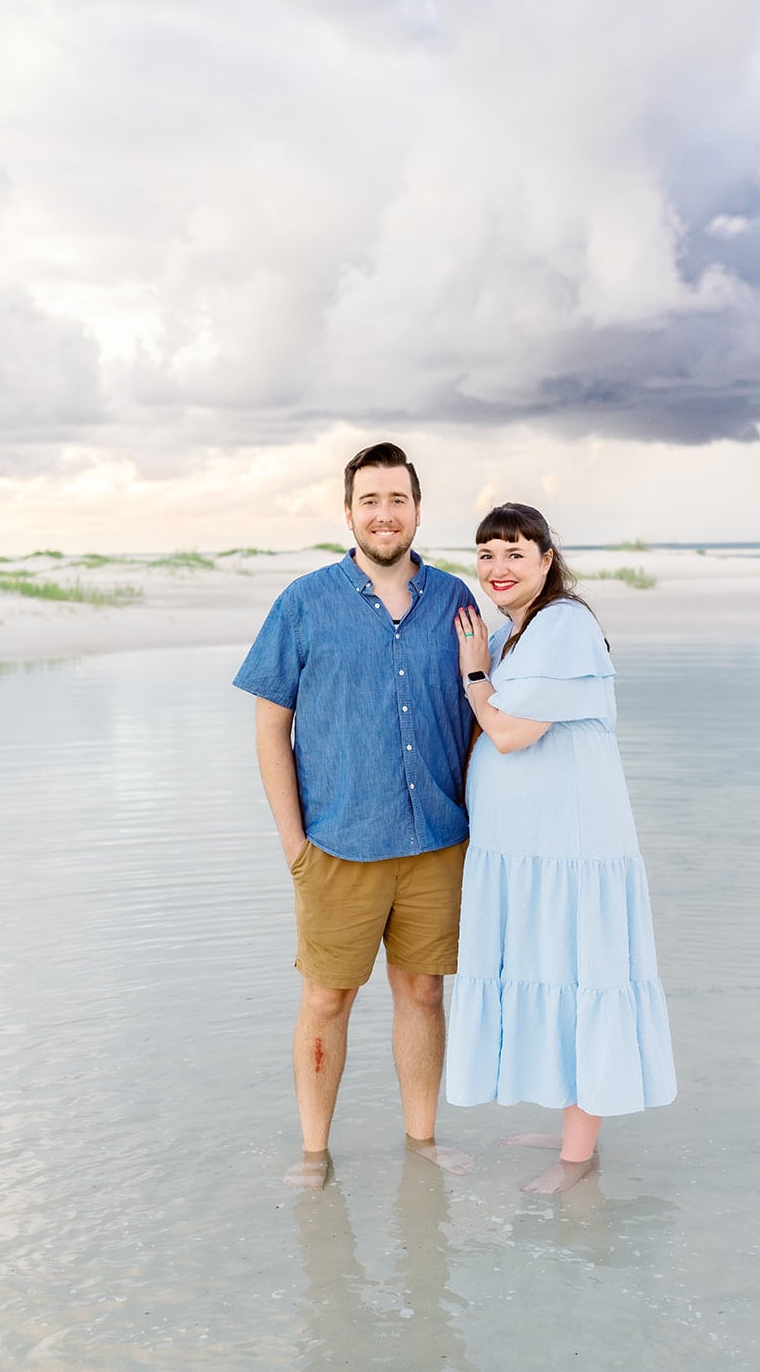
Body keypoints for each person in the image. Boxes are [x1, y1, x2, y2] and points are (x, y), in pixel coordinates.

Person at [233, 443, 475, 1189]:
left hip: (437, 838)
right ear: (348, 513)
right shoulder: (304, 602)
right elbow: (271, 723)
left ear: (416, 511)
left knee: (423, 991)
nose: (383, 513)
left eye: (396, 499)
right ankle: (314, 1154)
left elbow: (480, 709)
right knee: (326, 996)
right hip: (336, 842)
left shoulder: (456, 602)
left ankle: (421, 1143)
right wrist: (292, 842)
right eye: (369, 500)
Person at [445, 503, 677, 1193]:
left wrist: (474, 674)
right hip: (528, 849)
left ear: (547, 558)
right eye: (485, 554)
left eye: (514, 552)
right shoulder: (521, 631)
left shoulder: (563, 623)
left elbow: (511, 734)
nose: (497, 568)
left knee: (579, 977)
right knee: (551, 972)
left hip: (569, 851)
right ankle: (577, 1122)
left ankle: (578, 1159)